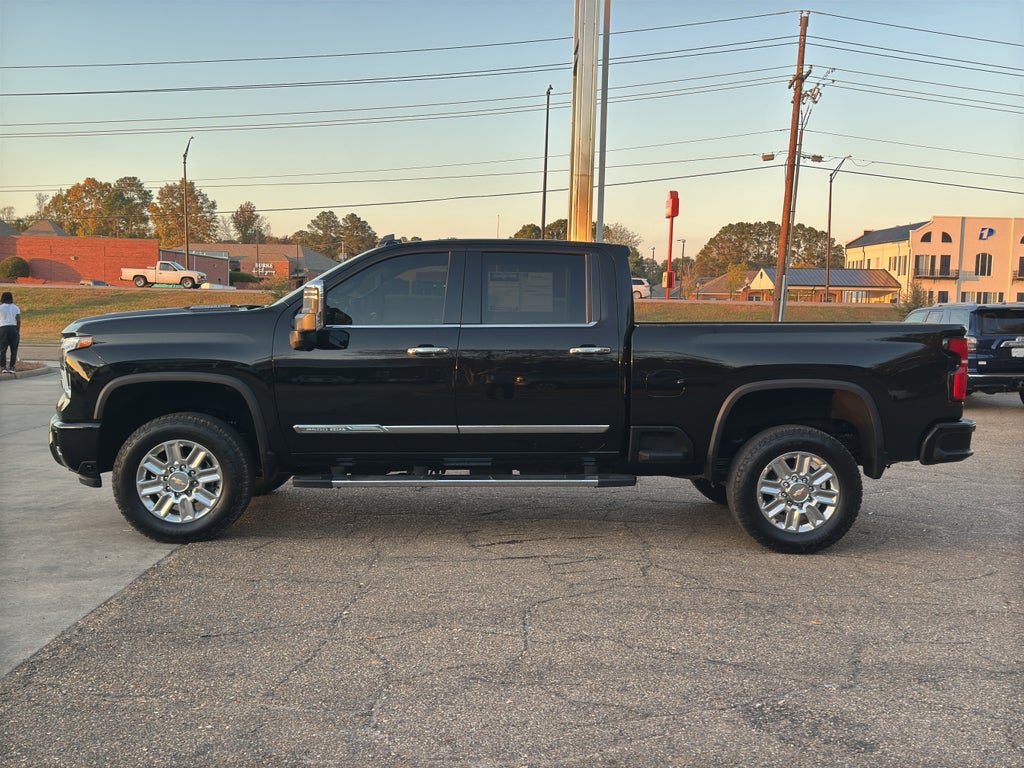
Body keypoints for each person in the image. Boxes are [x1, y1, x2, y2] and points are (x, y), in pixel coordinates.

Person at [0, 291, 21, 375]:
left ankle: (3, 367)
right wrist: (17, 331)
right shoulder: (16, 307)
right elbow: (18, 320)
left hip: (3, 329)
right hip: (13, 328)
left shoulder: (1, 307)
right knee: (14, 349)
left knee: (2, 349)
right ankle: (12, 367)